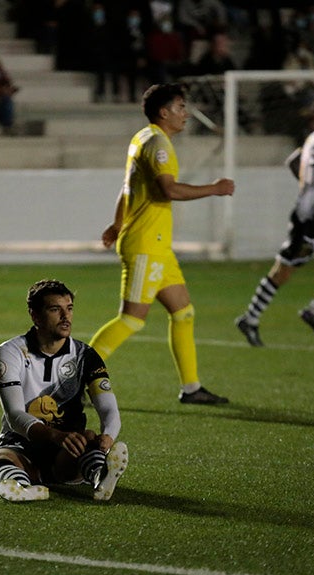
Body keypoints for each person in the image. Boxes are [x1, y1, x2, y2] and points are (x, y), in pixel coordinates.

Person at [90, 82, 234, 406]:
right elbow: (169, 190)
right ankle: (75, 381)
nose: (186, 114)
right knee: (131, 319)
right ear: (164, 112)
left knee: (183, 313)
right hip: (145, 245)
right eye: (181, 107)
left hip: (156, 245)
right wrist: (214, 188)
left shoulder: (143, 137)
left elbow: (127, 189)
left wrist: (117, 223)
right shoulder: (159, 145)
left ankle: (192, 387)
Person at [234, 93, 314, 348]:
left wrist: (307, 184)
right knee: (282, 273)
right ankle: (249, 319)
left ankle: (313, 311)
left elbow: (294, 162)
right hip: (307, 220)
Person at [0, 279, 129, 503]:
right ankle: (19, 486)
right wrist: (54, 435)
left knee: (88, 441)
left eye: (69, 309)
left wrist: (108, 436)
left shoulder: (85, 355)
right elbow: (14, 415)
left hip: (68, 452)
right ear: (35, 315)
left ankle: (101, 476)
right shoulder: (11, 351)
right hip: (23, 441)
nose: (65, 317)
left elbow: (108, 406)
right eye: (55, 309)